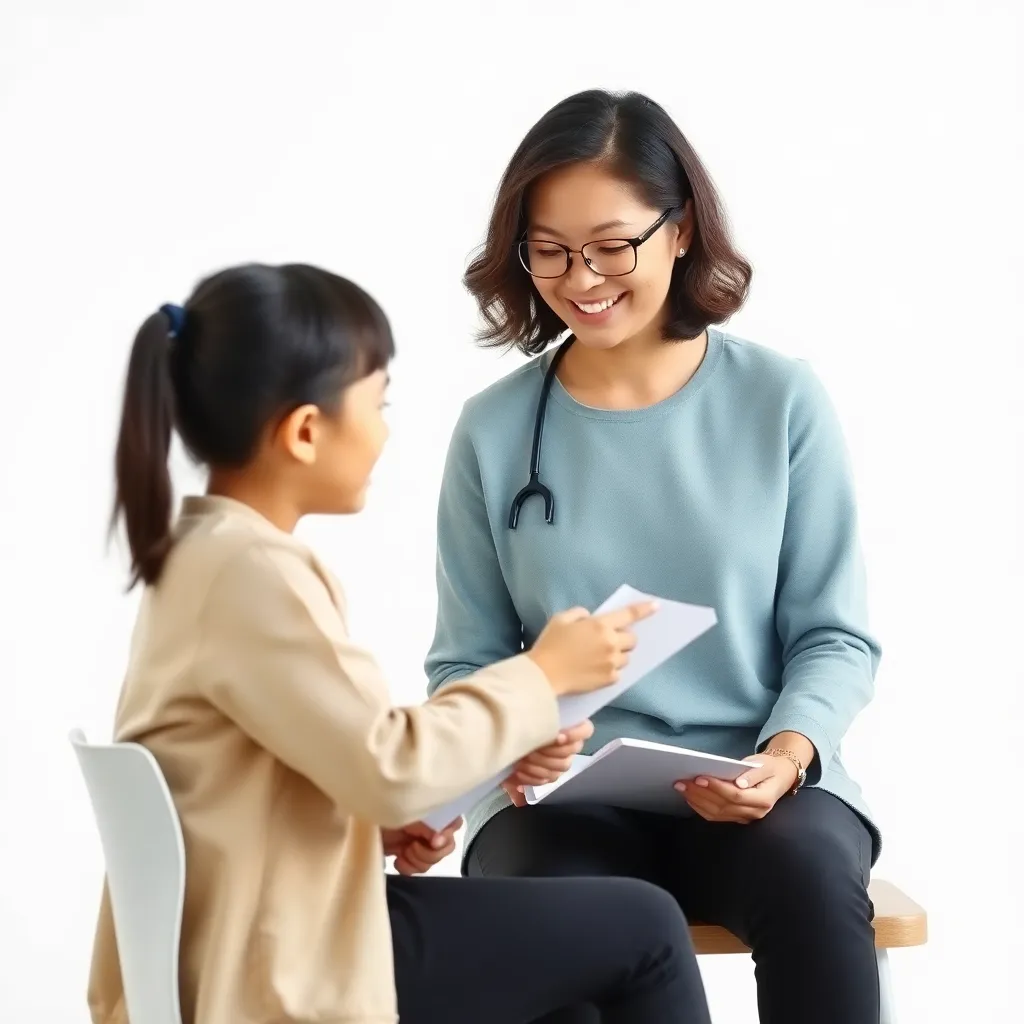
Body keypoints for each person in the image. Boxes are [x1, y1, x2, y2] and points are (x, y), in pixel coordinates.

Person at [87, 263, 714, 1024]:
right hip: (275, 961)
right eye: (377, 403)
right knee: (645, 928)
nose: (385, 431)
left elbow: (323, 767)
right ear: (306, 431)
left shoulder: (209, 557)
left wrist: (394, 818)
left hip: (265, 931)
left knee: (578, 982)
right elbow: (390, 765)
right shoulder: (249, 573)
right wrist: (542, 675)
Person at [426, 89, 883, 1024]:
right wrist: (514, 740)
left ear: (680, 234)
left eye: (610, 246)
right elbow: (463, 661)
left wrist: (787, 754)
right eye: (549, 251)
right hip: (563, 800)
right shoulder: (493, 430)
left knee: (808, 874)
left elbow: (834, 637)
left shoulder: (780, 402)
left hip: (759, 784)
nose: (581, 278)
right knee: (544, 903)